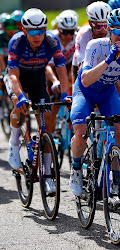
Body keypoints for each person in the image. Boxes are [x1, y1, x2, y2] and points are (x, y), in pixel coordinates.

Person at [69, 8, 120, 196]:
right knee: (81, 134)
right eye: (118, 32)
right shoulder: (95, 46)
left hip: (107, 93)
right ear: (109, 29)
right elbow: (86, 80)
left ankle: (116, 180)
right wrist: (109, 59)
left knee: (119, 133)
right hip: (85, 92)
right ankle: (75, 170)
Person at [6, 8, 70, 194]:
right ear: (24, 31)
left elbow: (61, 69)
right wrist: (21, 96)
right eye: (33, 32)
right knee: (20, 106)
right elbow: (13, 75)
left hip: (37, 80)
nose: (37, 35)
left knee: (47, 122)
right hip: (18, 79)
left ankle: (48, 174)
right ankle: (14, 142)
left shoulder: (51, 40)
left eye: (41, 31)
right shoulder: (16, 42)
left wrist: (65, 93)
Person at [45, 10, 78, 133]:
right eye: (65, 32)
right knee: (53, 106)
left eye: (71, 32)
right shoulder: (51, 39)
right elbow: (48, 66)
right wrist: (54, 81)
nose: (68, 36)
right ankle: (51, 134)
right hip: (52, 67)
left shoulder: (78, 37)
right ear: (58, 29)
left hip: (69, 65)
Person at [71, 1, 112, 83]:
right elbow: (81, 60)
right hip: (88, 59)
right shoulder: (83, 34)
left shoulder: (112, 32)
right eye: (98, 26)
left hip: (106, 60)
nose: (103, 30)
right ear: (90, 23)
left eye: (105, 25)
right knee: (78, 63)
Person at [0, 15, 18, 117]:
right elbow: (0, 57)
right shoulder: (1, 37)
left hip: (12, 61)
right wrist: (2, 72)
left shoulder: (17, 36)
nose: (11, 31)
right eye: (9, 28)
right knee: (1, 81)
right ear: (4, 28)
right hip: (2, 61)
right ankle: (1, 107)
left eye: (13, 28)